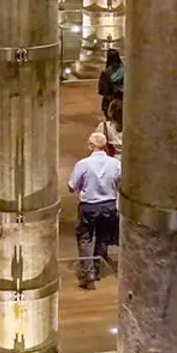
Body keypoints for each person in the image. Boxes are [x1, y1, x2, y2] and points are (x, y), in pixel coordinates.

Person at [67, 131, 121, 290]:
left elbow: (71, 186)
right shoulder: (115, 164)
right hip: (109, 205)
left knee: (85, 238)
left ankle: (88, 273)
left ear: (92, 146)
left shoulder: (83, 164)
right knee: (102, 237)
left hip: (89, 206)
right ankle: (98, 268)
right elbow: (121, 181)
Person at [97, 48, 125, 118]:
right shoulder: (124, 70)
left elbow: (103, 89)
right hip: (123, 99)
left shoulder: (106, 72)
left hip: (110, 100)